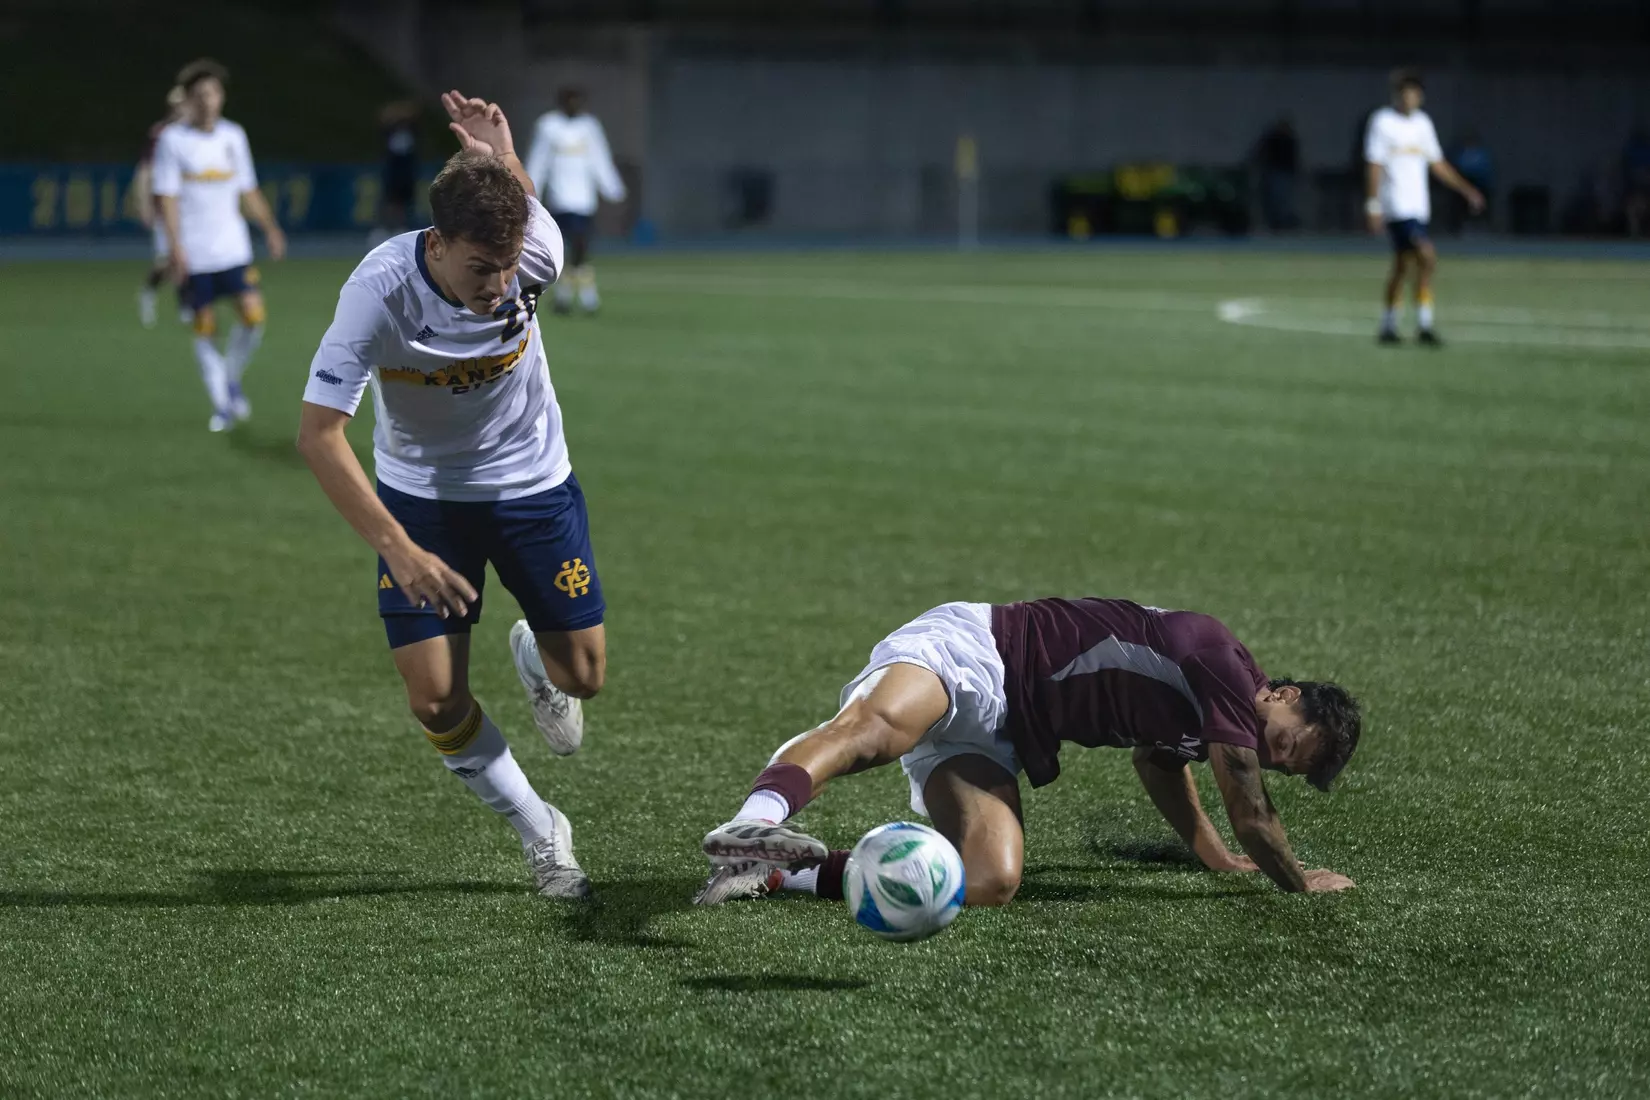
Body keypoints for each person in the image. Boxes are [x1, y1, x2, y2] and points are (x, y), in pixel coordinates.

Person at [296, 90, 607, 900]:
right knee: (435, 699)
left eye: (510, 269)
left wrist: (503, 155)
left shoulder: (536, 250)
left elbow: (522, 213)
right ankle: (543, 831)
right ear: (435, 245)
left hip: (531, 480)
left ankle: (539, 658)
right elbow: (318, 434)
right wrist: (399, 549)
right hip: (423, 501)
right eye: (480, 269)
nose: (502, 288)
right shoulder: (378, 294)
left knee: (586, 678)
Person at [696, 598, 1361, 907]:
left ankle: (776, 872)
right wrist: (1296, 881)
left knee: (987, 882)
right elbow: (1249, 805)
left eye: (1289, 765)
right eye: (1291, 741)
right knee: (870, 734)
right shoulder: (1223, 664)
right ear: (1285, 694)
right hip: (978, 652)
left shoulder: (1207, 721)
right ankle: (757, 818)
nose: (1275, 757)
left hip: (1000, 736)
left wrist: (1217, 859)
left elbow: (1159, 764)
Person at [152, 58, 286, 431]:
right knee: (205, 328)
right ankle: (222, 404)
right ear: (189, 101)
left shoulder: (233, 136)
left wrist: (270, 228)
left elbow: (248, 189)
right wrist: (175, 247)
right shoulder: (172, 141)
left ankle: (230, 377)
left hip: (233, 249)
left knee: (253, 318)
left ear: (221, 96)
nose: (207, 101)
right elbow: (168, 199)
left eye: (212, 93)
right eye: (199, 95)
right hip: (195, 255)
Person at [1363, 70, 1484, 346]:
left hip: (1418, 207)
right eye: (1406, 92)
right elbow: (1374, 164)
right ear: (1397, 95)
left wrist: (1466, 189)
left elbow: (1437, 163)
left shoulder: (1423, 124)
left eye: (1415, 93)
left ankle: (1389, 326)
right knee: (1426, 255)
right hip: (1396, 206)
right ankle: (1424, 324)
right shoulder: (1383, 122)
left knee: (1403, 267)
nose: (1411, 98)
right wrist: (1372, 204)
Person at [523, 86, 627, 314]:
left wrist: (613, 189)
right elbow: (538, 161)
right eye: (570, 101)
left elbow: (600, 158)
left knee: (580, 247)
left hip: (584, 199)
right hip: (560, 198)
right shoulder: (548, 126)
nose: (574, 105)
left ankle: (570, 296)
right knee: (566, 248)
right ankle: (583, 297)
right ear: (561, 102)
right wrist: (530, 191)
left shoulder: (590, 127)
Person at [134, 85, 186, 328]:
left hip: (190, 208)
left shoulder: (195, 133)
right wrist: (143, 202)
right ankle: (148, 293)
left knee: (187, 258)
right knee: (166, 259)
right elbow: (145, 171)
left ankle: (187, 306)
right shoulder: (161, 134)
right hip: (165, 207)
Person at [373, 100, 420, 245]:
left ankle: (400, 228)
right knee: (389, 200)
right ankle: (384, 228)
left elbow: (414, 114)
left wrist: (404, 112)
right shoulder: (390, 131)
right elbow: (384, 120)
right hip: (393, 171)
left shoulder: (411, 131)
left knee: (403, 202)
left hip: (406, 172)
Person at [1255, 116, 1301, 232]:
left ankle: (1282, 224)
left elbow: (1294, 158)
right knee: (1275, 200)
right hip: (1275, 173)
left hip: (1284, 173)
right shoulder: (1273, 139)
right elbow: (1263, 153)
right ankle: (1275, 224)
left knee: (1283, 200)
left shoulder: (1290, 140)